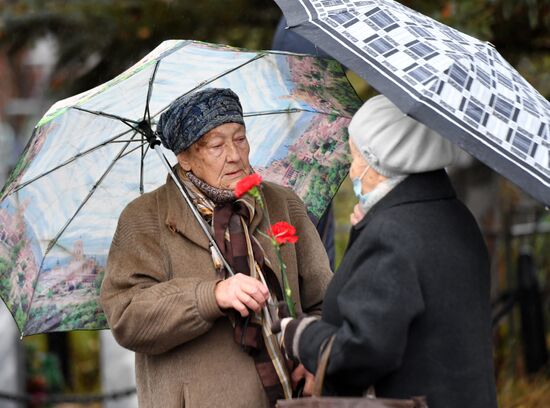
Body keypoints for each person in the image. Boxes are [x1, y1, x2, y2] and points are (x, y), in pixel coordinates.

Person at [100, 88, 332, 408]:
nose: (234, 155)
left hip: (290, 399)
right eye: (216, 145)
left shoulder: (282, 203)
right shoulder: (143, 219)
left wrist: (314, 354)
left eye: (239, 139)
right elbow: (127, 316)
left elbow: (324, 299)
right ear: (185, 158)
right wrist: (212, 295)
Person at [276, 95, 498, 408]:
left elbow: (363, 351)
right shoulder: (454, 216)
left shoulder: (392, 232)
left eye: (356, 159)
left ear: (382, 160)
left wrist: (299, 334)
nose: (353, 172)